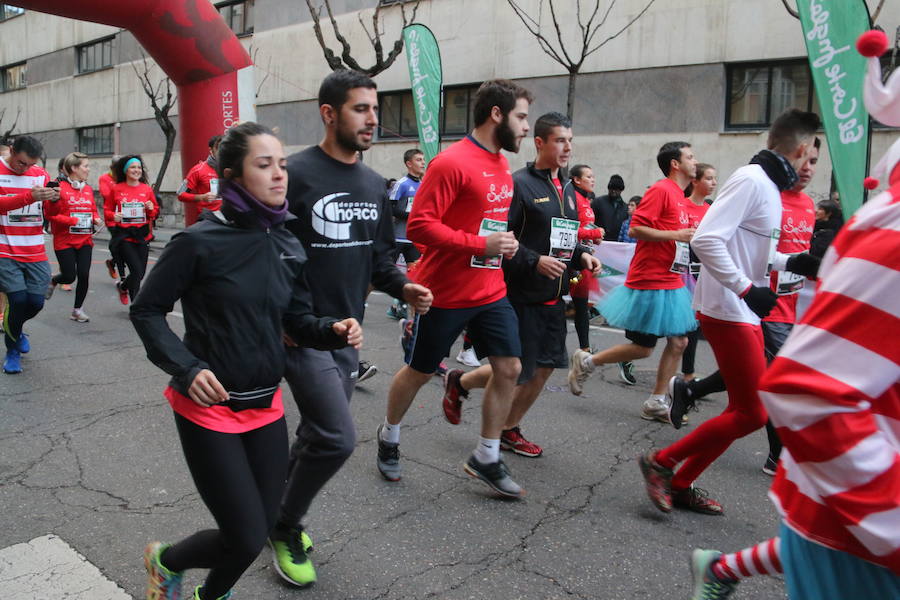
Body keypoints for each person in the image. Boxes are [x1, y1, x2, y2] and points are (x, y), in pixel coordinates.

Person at [131, 122, 362, 600]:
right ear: (233, 176)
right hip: (209, 410)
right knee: (243, 535)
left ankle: (194, 587)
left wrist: (331, 328)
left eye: (281, 164)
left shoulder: (287, 243)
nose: (280, 175)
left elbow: (296, 319)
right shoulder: (199, 242)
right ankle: (167, 562)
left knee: (255, 534)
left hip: (265, 407)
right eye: (264, 165)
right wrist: (187, 368)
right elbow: (147, 310)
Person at [270, 70, 433, 588]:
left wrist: (404, 287)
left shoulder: (371, 184)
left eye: (374, 109)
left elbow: (380, 258)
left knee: (316, 433)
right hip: (300, 333)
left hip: (347, 334)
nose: (372, 119)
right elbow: (270, 255)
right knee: (338, 439)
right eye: (361, 109)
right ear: (329, 113)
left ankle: (277, 508)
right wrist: (285, 320)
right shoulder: (292, 175)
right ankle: (285, 524)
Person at [638, 109, 822, 517]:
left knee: (746, 409)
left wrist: (795, 262)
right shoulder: (752, 180)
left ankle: (681, 481)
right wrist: (745, 288)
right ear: (802, 148)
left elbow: (752, 253)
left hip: (742, 308)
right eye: (809, 157)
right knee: (752, 411)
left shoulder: (770, 188)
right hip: (727, 306)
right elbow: (706, 240)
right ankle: (662, 463)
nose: (809, 166)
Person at [377, 79, 533, 498]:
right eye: (520, 117)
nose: (525, 128)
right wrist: (480, 243)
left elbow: (488, 225)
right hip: (442, 292)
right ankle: (389, 436)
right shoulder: (451, 162)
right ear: (496, 114)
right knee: (421, 370)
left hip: (490, 289)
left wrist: (504, 244)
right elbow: (420, 227)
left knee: (510, 368)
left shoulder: (502, 165)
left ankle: (486, 454)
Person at [441, 113, 601, 458]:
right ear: (540, 142)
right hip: (520, 294)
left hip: (555, 295)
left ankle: (505, 424)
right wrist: (534, 261)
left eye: (570, 140)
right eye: (560, 140)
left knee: (544, 368)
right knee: (517, 370)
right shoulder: (519, 185)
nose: (567, 147)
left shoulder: (570, 190)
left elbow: (565, 238)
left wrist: (582, 256)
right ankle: (483, 415)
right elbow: (498, 238)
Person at [568, 142, 698, 425]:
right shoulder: (661, 190)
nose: (695, 161)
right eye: (690, 156)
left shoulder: (680, 196)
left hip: (672, 278)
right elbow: (637, 228)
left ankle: (656, 401)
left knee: (679, 341)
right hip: (650, 278)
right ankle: (587, 362)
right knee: (643, 347)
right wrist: (677, 234)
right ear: (675, 164)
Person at [0, 135, 57, 374]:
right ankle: (12, 351)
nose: (25, 169)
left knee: (35, 301)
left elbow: (50, 211)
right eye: (21, 163)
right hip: (5, 249)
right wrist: (29, 196)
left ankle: (16, 327)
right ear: (12, 150)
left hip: (35, 249)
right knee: (18, 300)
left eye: (30, 164)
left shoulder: (40, 174)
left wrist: (55, 198)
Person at [44, 152, 103, 322]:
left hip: (85, 240)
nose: (88, 169)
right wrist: (72, 220)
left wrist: (96, 218)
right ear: (74, 168)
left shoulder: (88, 189)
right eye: (85, 166)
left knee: (84, 274)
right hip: (64, 241)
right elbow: (50, 215)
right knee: (69, 276)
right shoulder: (58, 188)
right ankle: (54, 280)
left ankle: (77, 310)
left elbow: (91, 209)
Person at [678, 164, 716, 383]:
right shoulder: (682, 206)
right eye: (709, 178)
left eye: (714, 179)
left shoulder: (711, 210)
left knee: (691, 326)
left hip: (702, 274)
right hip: (680, 272)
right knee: (671, 325)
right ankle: (635, 349)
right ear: (695, 181)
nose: (713, 183)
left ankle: (688, 374)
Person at [106, 155, 158, 305]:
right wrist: (113, 216)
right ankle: (135, 305)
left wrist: (150, 209)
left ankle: (122, 287)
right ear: (125, 170)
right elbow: (107, 211)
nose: (136, 170)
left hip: (142, 235)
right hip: (124, 236)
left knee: (140, 274)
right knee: (135, 271)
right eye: (132, 167)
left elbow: (154, 212)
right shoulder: (117, 189)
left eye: (139, 167)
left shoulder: (146, 189)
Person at [386, 148, 425, 321]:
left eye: (423, 159)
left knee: (416, 273)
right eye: (418, 160)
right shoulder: (401, 184)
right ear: (409, 163)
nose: (423, 162)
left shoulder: (423, 184)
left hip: (413, 238)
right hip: (396, 238)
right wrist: (413, 215)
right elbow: (392, 208)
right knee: (384, 273)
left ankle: (400, 305)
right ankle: (360, 301)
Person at [569, 164, 604, 352]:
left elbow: (584, 228)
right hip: (572, 259)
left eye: (593, 176)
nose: (593, 179)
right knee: (575, 303)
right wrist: (595, 233)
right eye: (588, 176)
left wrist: (594, 236)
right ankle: (584, 348)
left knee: (581, 304)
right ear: (577, 179)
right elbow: (570, 229)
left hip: (584, 258)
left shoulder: (586, 200)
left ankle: (585, 348)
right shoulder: (573, 198)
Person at [178, 134, 223, 213]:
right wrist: (202, 197)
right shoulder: (198, 170)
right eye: (218, 148)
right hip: (209, 218)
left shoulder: (230, 169)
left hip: (229, 217)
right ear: (211, 150)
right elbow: (180, 194)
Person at [98, 155, 123, 281]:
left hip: (126, 218)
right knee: (118, 243)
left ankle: (112, 263)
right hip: (112, 217)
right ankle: (116, 264)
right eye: (117, 168)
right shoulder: (105, 178)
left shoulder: (125, 178)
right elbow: (106, 194)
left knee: (125, 245)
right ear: (112, 167)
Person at [592, 174, 628, 240]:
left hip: (617, 242)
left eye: (616, 189)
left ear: (621, 190)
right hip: (599, 240)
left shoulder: (625, 207)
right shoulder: (598, 202)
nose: (613, 191)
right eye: (611, 189)